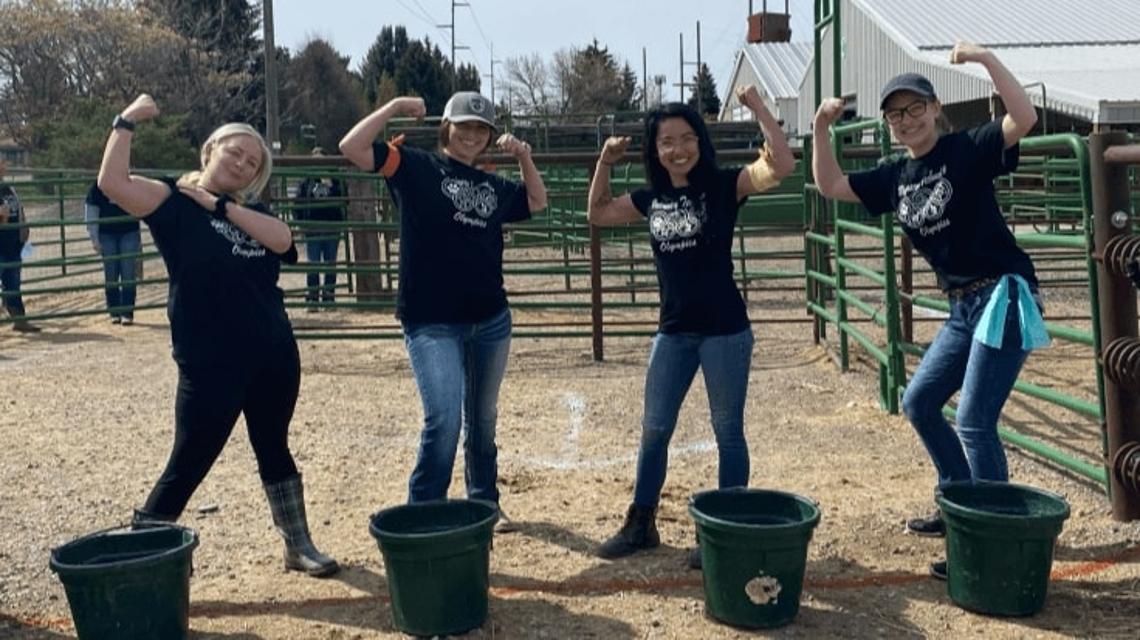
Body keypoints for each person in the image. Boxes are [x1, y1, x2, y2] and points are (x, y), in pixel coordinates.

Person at [811, 42, 1046, 580]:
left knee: (974, 421)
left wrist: (985, 59)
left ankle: (993, 541)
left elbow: (1025, 117)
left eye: (915, 108)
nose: (906, 120)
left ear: (936, 109)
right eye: (896, 114)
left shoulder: (966, 150)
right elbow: (830, 185)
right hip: (963, 307)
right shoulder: (896, 177)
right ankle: (959, 504)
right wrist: (821, 129)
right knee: (917, 403)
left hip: (1004, 294)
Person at [98, 94, 338, 577]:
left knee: (274, 446)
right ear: (209, 150)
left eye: (252, 162)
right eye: (235, 152)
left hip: (272, 352)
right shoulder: (171, 202)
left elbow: (285, 242)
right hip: (210, 360)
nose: (243, 163)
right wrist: (127, 122)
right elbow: (112, 183)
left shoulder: (254, 212)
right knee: (189, 459)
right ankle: (139, 557)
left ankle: (299, 545)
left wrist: (222, 207)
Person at [587, 87, 795, 567]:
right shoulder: (649, 198)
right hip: (674, 331)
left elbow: (782, 165)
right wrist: (604, 161)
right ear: (655, 150)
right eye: (666, 141)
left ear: (700, 142)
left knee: (727, 431)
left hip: (725, 330)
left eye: (686, 138)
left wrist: (760, 108)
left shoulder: (726, 186)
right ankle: (641, 523)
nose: (677, 148)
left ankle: (726, 529)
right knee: (654, 429)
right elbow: (596, 214)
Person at [339, 92, 547, 522]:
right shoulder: (414, 166)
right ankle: (424, 512)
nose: (472, 135)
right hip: (430, 320)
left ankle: (484, 500)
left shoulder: (493, 185)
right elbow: (352, 148)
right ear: (446, 127)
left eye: (481, 129)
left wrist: (524, 157)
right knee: (444, 419)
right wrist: (394, 107)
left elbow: (537, 202)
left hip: (490, 318)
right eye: (464, 125)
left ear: (489, 136)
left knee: (483, 419)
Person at [294, 147, 346, 311]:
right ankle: (313, 299)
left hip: (331, 225)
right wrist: (301, 223)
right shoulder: (307, 181)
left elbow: (345, 199)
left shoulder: (335, 179)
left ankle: (329, 298)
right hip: (313, 226)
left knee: (330, 263)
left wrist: (331, 185)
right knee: (314, 263)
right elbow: (298, 202)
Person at [85, 183, 142, 325]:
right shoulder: (99, 186)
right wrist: (94, 238)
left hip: (129, 231)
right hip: (107, 234)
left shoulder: (130, 182)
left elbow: (142, 203)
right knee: (111, 272)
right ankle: (114, 311)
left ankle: (127, 312)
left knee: (128, 272)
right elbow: (91, 211)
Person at [0, 160, 40, 332]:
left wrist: (24, 228)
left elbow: (19, 210)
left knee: (13, 283)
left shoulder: (9, 188)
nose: (3, 166)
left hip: (13, 244)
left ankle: (19, 319)